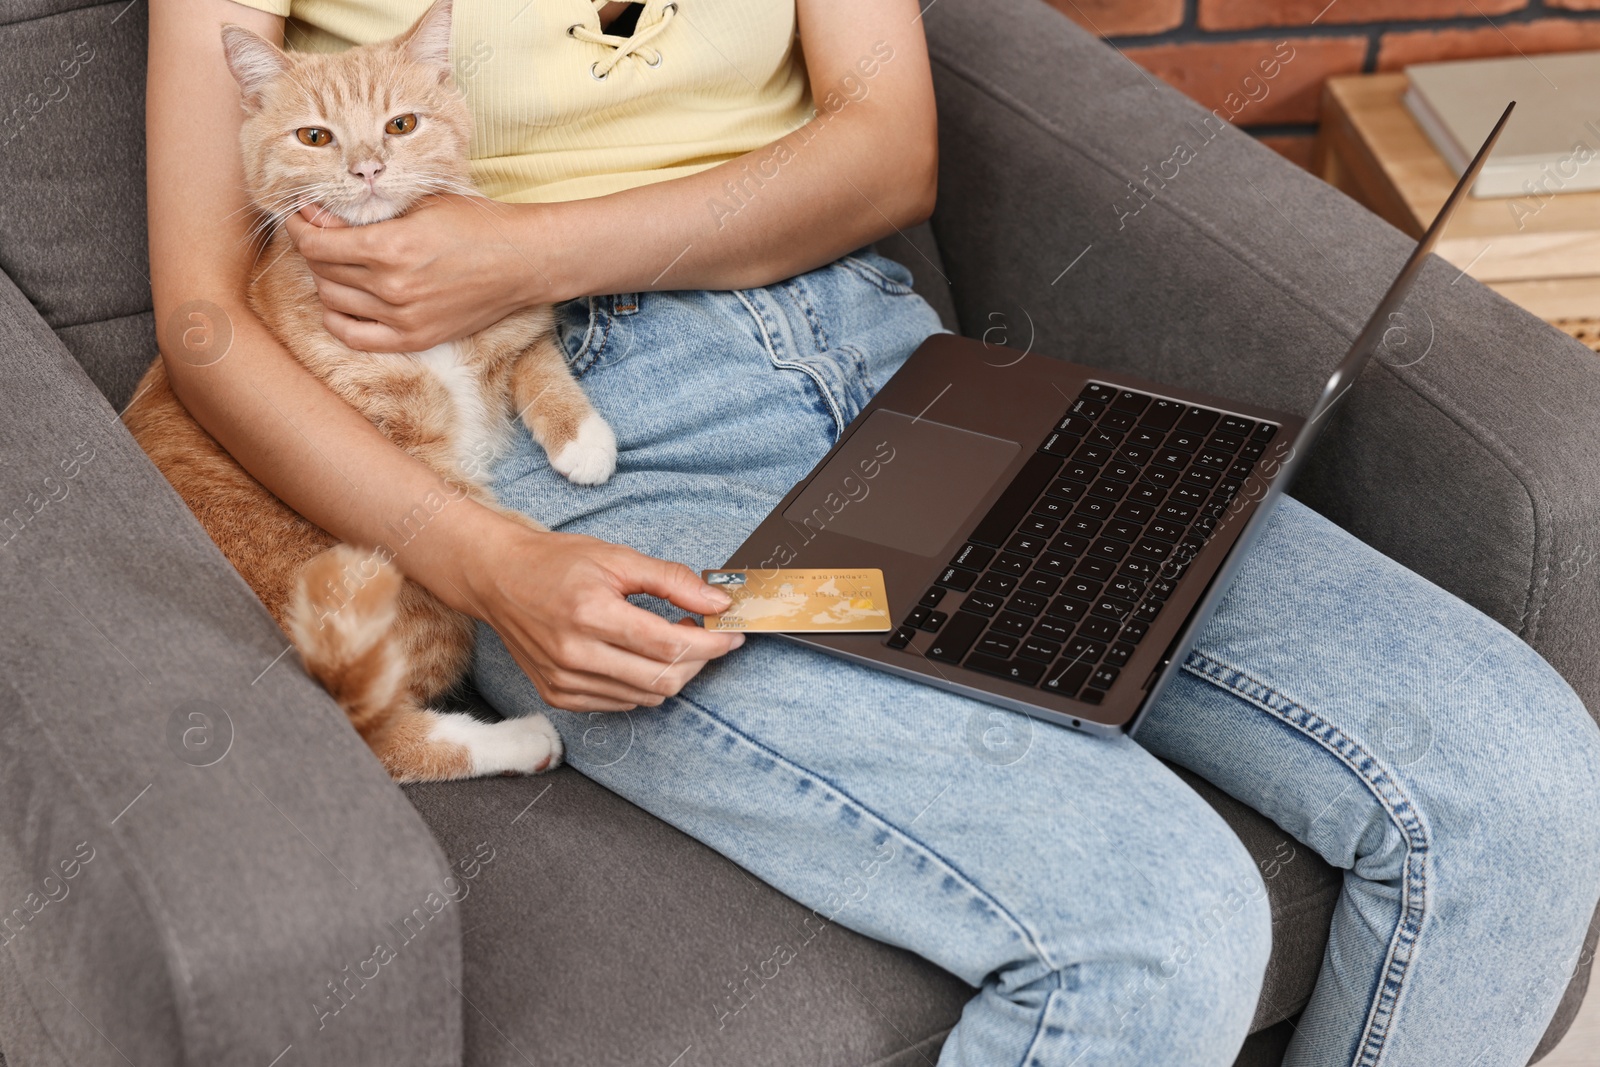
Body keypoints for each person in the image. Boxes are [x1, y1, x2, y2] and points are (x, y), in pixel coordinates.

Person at [148, 0, 1600, 1062]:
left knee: (1530, 788)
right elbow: (206, 322)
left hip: (881, 354)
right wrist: (483, 562)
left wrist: (527, 244)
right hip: (559, 429)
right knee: (1159, 927)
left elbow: (890, 152)